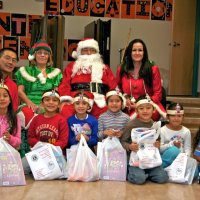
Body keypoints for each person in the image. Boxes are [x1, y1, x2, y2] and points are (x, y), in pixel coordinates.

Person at [58, 38, 117, 119]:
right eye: (85, 50)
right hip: (77, 103)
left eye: (92, 50)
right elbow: (64, 85)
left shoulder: (105, 68)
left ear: (96, 52)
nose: (89, 53)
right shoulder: (71, 67)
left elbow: (113, 87)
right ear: (80, 52)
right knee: (66, 111)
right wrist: (65, 101)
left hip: (100, 104)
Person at [15, 38, 62, 129]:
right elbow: (20, 91)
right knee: (26, 114)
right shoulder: (25, 71)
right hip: (28, 104)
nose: (42, 55)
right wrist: (30, 103)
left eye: (45, 53)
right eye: (39, 53)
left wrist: (46, 104)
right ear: (34, 56)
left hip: (48, 104)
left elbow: (55, 93)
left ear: (49, 57)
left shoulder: (55, 72)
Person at [120, 95, 168, 184]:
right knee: (139, 179)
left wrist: (158, 144)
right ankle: (136, 173)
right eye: (141, 109)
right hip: (136, 160)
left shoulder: (155, 125)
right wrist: (130, 146)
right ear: (136, 111)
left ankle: (146, 172)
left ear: (153, 110)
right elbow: (122, 141)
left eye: (148, 108)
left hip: (150, 159)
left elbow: (158, 140)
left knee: (163, 178)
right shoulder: (131, 125)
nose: (145, 111)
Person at [116, 39, 166, 121]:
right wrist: (124, 100)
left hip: (148, 106)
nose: (137, 53)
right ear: (129, 52)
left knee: (141, 117)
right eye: (134, 50)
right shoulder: (121, 69)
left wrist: (141, 105)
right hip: (127, 107)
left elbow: (158, 94)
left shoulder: (153, 69)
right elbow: (117, 89)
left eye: (140, 50)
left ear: (144, 52)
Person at [160, 102, 191, 168]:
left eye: (179, 116)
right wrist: (172, 144)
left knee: (195, 172)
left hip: (180, 160)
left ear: (183, 117)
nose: (176, 118)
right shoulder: (162, 130)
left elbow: (187, 148)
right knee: (174, 150)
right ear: (167, 117)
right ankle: (160, 168)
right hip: (166, 159)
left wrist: (185, 158)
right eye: (173, 116)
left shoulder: (186, 131)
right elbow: (159, 149)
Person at [0, 83, 21, 149]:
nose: (2, 99)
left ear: (10, 100)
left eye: (5, 96)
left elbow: (18, 141)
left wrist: (10, 138)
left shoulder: (15, 118)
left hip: (7, 155)